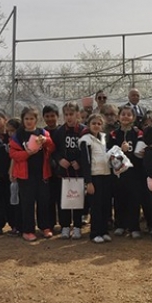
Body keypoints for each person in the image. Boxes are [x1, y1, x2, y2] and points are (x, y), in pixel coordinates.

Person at [9, 106, 56, 241]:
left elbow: (52, 148)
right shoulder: (18, 135)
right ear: (23, 120)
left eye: (31, 118)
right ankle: (28, 230)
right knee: (27, 203)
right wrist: (27, 153)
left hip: (42, 174)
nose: (29, 121)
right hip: (25, 175)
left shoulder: (43, 132)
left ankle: (45, 227)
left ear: (36, 119)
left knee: (44, 201)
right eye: (26, 119)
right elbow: (13, 154)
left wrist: (46, 141)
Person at [110, 105, 146, 238]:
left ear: (133, 117)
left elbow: (140, 153)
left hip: (134, 172)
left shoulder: (138, 133)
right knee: (119, 198)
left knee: (134, 199)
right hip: (119, 173)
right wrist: (120, 150)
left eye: (128, 114)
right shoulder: (114, 134)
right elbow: (110, 153)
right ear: (118, 117)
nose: (125, 117)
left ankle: (134, 227)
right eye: (123, 114)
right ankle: (120, 225)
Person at [52, 101, 86, 239]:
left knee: (77, 200)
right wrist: (60, 160)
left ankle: (77, 226)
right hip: (64, 173)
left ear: (77, 114)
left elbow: (88, 151)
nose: (69, 117)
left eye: (71, 114)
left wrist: (80, 162)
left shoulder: (84, 131)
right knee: (64, 201)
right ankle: (65, 226)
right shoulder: (59, 132)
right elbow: (53, 150)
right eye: (66, 114)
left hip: (78, 173)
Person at [79, 114, 114, 243]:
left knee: (105, 205)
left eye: (99, 124)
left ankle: (104, 231)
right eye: (93, 123)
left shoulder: (104, 138)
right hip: (94, 177)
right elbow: (85, 162)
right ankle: (95, 233)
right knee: (96, 206)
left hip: (106, 175)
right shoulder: (85, 140)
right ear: (89, 125)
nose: (96, 126)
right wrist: (88, 182)